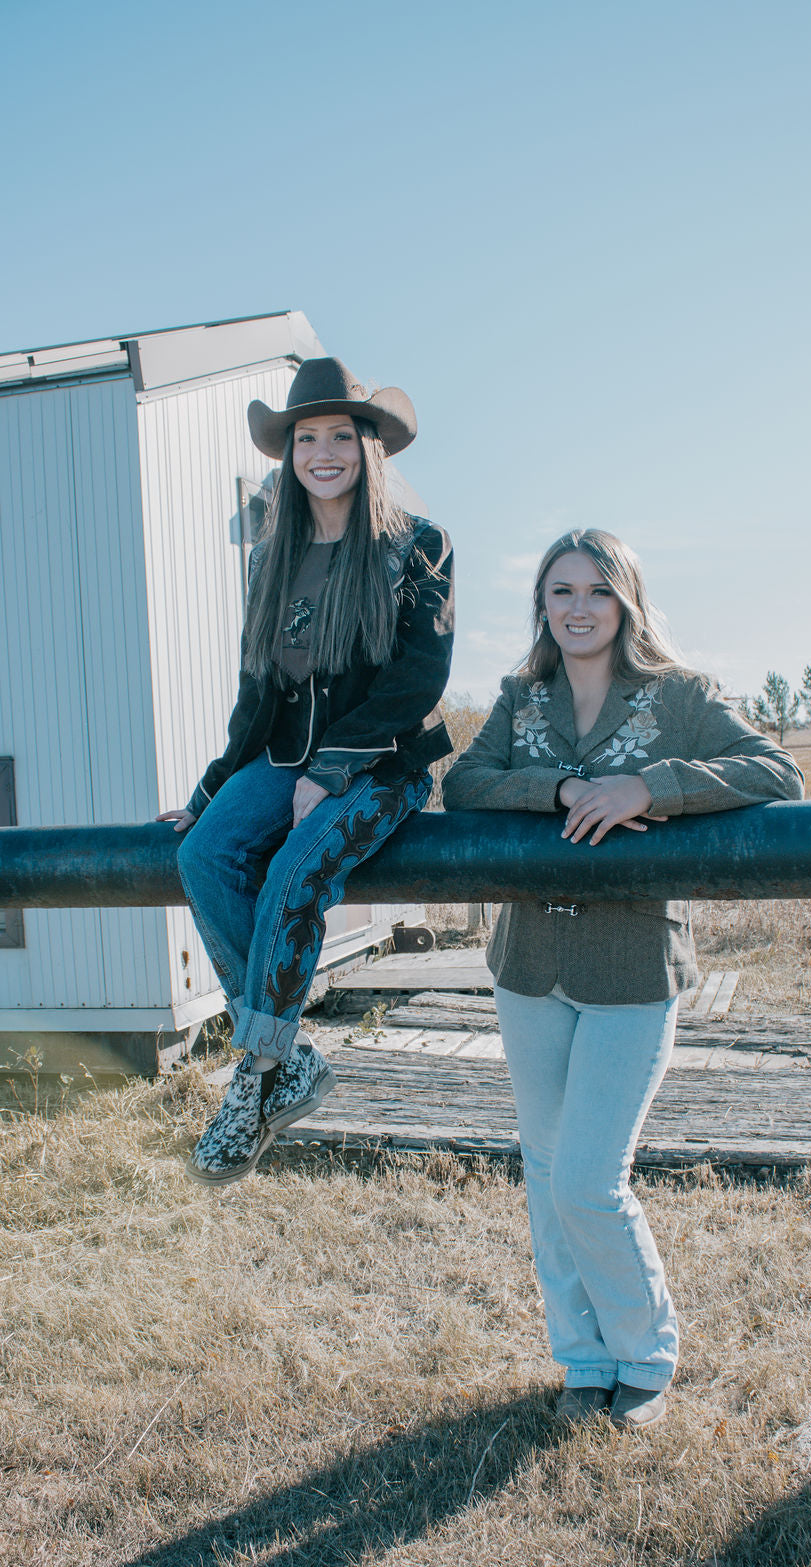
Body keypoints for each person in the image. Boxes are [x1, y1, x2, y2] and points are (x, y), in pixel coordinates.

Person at [442, 529, 803, 1430]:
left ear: (627, 601)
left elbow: (778, 771)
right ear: (541, 606)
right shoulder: (522, 697)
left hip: (633, 969)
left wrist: (651, 786)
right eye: (559, 591)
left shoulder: (677, 696)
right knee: (544, 1169)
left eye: (596, 591)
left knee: (589, 1180)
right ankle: (583, 1357)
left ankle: (645, 1355)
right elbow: (466, 785)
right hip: (529, 966)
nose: (576, 607)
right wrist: (560, 789)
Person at [158, 357, 454, 1186]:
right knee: (202, 855)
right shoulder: (272, 558)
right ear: (288, 454)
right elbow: (257, 696)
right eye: (305, 438)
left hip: (384, 764)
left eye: (340, 436)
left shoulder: (418, 547)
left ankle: (250, 1081)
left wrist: (331, 768)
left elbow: (416, 681)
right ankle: (290, 1063)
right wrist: (211, 792)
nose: (323, 452)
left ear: (369, 446)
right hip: (280, 757)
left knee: (294, 869)